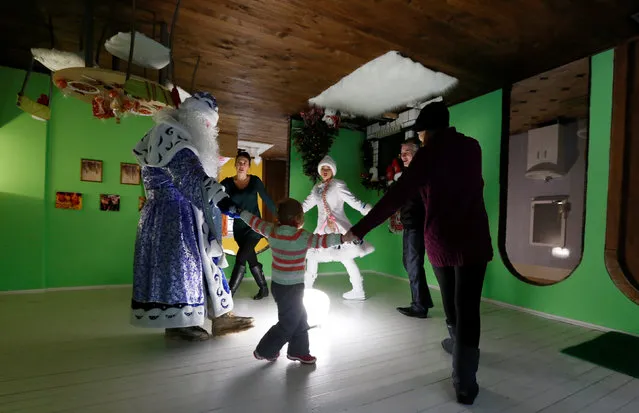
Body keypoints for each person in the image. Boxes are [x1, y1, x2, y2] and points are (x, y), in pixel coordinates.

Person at [344, 100, 493, 405]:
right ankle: (466, 381)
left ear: (425, 132)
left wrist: (358, 229)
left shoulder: (427, 155)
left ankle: (457, 352)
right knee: (469, 307)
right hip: (475, 238)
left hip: (443, 241)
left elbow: (396, 196)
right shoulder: (472, 147)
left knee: (452, 301)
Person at [130, 91, 253, 341]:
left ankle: (220, 317)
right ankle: (181, 324)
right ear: (195, 119)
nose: (208, 130)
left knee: (201, 265)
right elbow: (190, 176)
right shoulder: (172, 135)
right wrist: (223, 200)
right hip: (172, 217)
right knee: (182, 269)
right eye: (207, 124)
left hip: (181, 213)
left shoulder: (176, 135)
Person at [239, 198, 347, 364]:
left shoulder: (271, 230)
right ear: (298, 219)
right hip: (293, 288)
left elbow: (254, 222)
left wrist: (240, 212)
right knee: (288, 323)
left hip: (278, 286)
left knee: (300, 317)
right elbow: (323, 241)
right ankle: (264, 350)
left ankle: (299, 351)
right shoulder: (302, 236)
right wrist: (343, 238)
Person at [302, 155, 374, 300]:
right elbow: (306, 205)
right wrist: (291, 214)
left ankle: (358, 290)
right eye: (323, 168)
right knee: (312, 257)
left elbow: (353, 201)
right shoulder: (317, 188)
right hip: (321, 230)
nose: (325, 170)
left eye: (328, 168)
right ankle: (306, 289)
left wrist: (367, 210)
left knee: (346, 258)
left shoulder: (338, 185)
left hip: (338, 228)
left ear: (333, 170)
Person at [221, 150, 277, 300]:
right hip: (238, 228)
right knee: (250, 257)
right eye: (239, 162)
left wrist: (280, 217)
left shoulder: (255, 181)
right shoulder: (227, 183)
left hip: (255, 226)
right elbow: (217, 198)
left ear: (249, 166)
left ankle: (229, 294)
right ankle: (264, 288)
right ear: (235, 164)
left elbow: (267, 200)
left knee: (241, 257)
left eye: (245, 163)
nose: (242, 165)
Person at [396, 138, 434, 319]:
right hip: (410, 225)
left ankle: (419, 306)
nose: (403, 156)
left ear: (417, 153)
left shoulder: (421, 174)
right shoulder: (410, 174)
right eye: (402, 153)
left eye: (407, 152)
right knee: (410, 263)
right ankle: (422, 302)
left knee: (413, 264)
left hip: (417, 226)